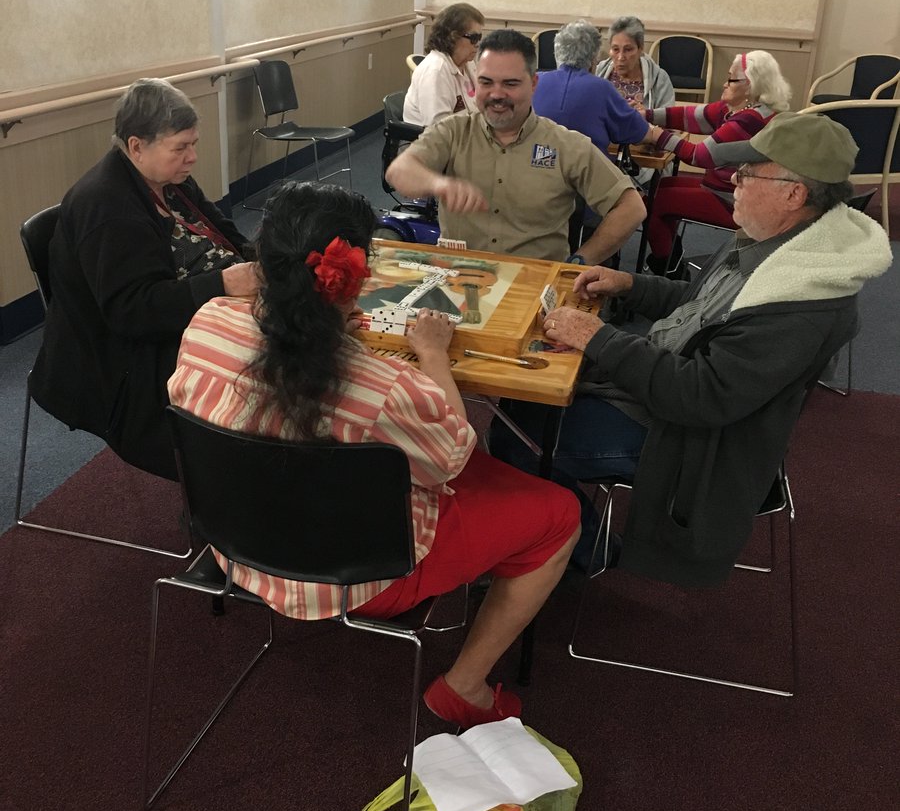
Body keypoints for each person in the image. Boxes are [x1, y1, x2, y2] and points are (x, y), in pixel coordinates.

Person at [168, 182, 580, 728]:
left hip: (235, 541)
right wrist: (432, 354)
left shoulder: (207, 322)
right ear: (356, 280)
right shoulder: (384, 390)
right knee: (561, 513)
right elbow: (454, 454)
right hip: (358, 575)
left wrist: (332, 330)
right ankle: (464, 685)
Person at [490, 113, 892, 586]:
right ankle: (557, 538)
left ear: (793, 194)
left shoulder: (800, 302)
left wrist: (597, 337)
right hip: (663, 396)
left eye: (747, 173)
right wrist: (629, 284)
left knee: (516, 439)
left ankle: (586, 554)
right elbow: (701, 303)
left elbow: (700, 396)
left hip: (689, 439)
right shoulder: (775, 245)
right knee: (517, 406)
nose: (733, 181)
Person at [30, 78, 258, 480]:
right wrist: (224, 284)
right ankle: (235, 487)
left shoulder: (169, 181)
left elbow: (223, 232)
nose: (192, 157)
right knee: (258, 372)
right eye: (180, 148)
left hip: (186, 313)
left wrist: (261, 263)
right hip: (120, 366)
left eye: (194, 144)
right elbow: (132, 312)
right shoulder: (108, 207)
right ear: (136, 146)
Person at [386, 28, 646, 264]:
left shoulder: (566, 145)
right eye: (486, 82)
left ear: (533, 84)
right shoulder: (454, 130)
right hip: (460, 279)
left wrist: (580, 262)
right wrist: (439, 184)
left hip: (533, 286)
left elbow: (631, 208)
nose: (496, 94)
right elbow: (399, 171)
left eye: (510, 84)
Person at [641, 49, 792, 275]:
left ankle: (669, 269)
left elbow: (699, 156)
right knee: (660, 188)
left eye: (731, 79)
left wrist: (656, 135)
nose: (724, 84)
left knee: (653, 203)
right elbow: (691, 116)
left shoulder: (749, 120)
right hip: (725, 189)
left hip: (734, 199)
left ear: (750, 85)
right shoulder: (742, 109)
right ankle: (671, 260)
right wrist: (648, 114)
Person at [533, 20, 653, 154]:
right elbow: (643, 134)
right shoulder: (602, 88)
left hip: (537, 163)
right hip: (586, 166)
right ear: (593, 59)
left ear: (557, 53)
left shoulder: (533, 82)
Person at [403, 3, 485, 128]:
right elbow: (440, 129)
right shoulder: (436, 71)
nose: (477, 44)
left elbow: (481, 103)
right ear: (452, 37)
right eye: (473, 38)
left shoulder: (468, 63)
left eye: (479, 37)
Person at [594, 16, 675, 111]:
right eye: (615, 49)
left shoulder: (659, 79)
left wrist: (647, 115)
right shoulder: (598, 72)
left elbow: (668, 117)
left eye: (628, 50)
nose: (620, 57)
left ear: (640, 49)